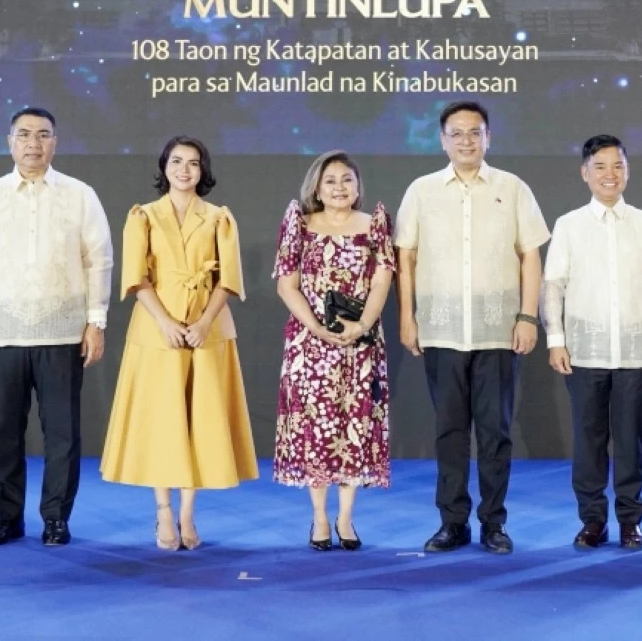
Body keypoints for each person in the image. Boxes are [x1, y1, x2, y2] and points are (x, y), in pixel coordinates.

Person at [395, 100, 550, 555]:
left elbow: (530, 256)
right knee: (449, 431)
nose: (466, 140)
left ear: (488, 138)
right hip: (441, 331)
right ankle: (452, 522)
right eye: (457, 133)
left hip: (498, 331)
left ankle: (494, 523)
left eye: (475, 132)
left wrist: (527, 315)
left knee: (495, 432)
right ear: (442, 140)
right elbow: (406, 257)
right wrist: (408, 318)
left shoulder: (512, 187)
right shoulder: (422, 190)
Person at [0, 107, 113, 547]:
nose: (33, 143)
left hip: (63, 333)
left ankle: (56, 519)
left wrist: (95, 322)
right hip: (1, 332)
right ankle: (6, 518)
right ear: (9, 142)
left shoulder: (80, 195)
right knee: (3, 430)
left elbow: (99, 262)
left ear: (55, 143)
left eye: (43, 135)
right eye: (24, 135)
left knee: (62, 432)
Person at [100, 136, 257, 551]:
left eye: (193, 162)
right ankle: (164, 512)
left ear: (203, 170)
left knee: (199, 420)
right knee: (162, 422)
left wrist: (204, 322)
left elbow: (229, 279)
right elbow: (136, 278)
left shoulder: (220, 217)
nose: (184, 169)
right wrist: (167, 322)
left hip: (209, 330)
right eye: (176, 161)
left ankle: (188, 513)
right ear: (164, 166)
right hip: (156, 330)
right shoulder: (143, 217)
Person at [542, 135, 642, 551]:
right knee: (588, 439)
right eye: (600, 166)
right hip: (583, 350)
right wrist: (556, 340)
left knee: (631, 439)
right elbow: (553, 287)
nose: (609, 174)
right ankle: (593, 520)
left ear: (627, 171)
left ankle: (630, 520)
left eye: (617, 166)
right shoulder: (568, 224)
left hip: (636, 349)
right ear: (585, 173)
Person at [272, 151, 394, 551]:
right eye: (330, 180)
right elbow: (287, 285)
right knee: (316, 429)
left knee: (354, 425)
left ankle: (346, 519)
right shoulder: (300, 224)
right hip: (310, 345)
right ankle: (320, 517)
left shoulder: (374, 224)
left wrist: (361, 326)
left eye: (347, 179)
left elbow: (381, 281)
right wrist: (318, 328)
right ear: (317, 187)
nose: (339, 187)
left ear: (358, 186)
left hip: (361, 345)